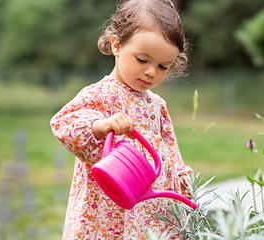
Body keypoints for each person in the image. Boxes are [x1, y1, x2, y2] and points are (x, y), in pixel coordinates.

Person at [50, 0, 193, 239]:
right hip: (108, 211)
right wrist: (100, 126)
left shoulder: (157, 105)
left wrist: (181, 177)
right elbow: (63, 123)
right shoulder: (100, 94)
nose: (151, 72)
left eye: (162, 66)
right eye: (142, 60)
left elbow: (170, 148)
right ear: (116, 45)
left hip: (151, 206)